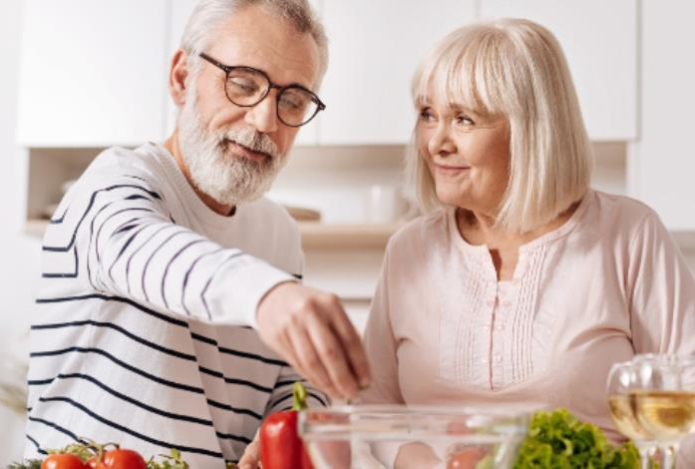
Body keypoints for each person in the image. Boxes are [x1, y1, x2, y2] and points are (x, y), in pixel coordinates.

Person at [24, 0, 371, 467]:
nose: (265, 120)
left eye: (291, 100)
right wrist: (267, 295)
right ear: (182, 78)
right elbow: (140, 250)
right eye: (243, 84)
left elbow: (292, 385)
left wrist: (291, 423)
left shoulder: (280, 234)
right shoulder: (113, 184)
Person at [359, 18, 695, 467]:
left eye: (463, 119)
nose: (436, 142)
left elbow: (686, 403)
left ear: (532, 129)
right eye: (427, 115)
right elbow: (373, 404)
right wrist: (418, 459)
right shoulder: (408, 251)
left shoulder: (628, 235)